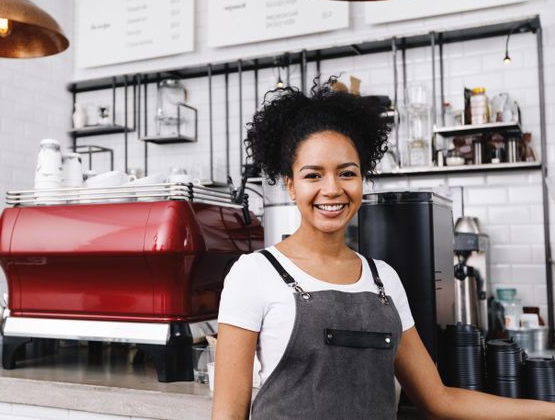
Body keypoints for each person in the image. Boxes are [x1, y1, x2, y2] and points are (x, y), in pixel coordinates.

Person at [211, 81, 555, 419]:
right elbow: (228, 414)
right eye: (313, 176)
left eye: (347, 173)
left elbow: (439, 400)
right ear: (290, 185)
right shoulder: (254, 274)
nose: (331, 189)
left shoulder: (383, 281)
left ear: (362, 180)